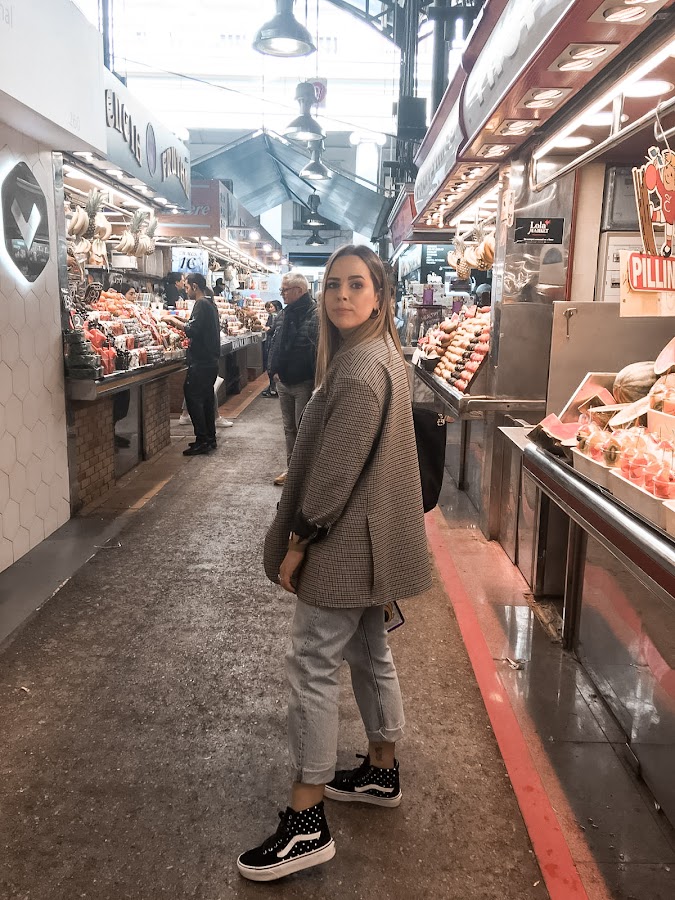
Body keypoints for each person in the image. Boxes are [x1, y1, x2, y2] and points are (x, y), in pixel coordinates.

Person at [236, 245, 432, 882]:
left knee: (311, 664)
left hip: (347, 542)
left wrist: (299, 540)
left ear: (379, 295)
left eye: (356, 285)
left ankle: (306, 820)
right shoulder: (384, 355)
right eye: (333, 285)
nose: (342, 295)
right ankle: (381, 768)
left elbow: (332, 477)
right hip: (377, 539)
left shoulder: (358, 370)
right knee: (369, 650)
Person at [268, 273, 318, 486]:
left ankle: (305, 473)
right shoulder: (284, 314)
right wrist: (273, 370)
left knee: (304, 429)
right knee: (289, 429)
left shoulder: (315, 315)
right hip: (284, 381)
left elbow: (318, 350)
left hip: (304, 382)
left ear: (299, 290)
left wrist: (316, 380)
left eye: (285, 290)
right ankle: (292, 470)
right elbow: (275, 343)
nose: (282, 294)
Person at [164, 273, 222, 456]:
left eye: (187, 287)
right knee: (206, 400)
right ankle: (209, 439)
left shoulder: (201, 304)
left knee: (194, 399)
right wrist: (180, 320)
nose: (186, 290)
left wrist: (173, 321)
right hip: (210, 361)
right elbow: (197, 325)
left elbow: (193, 330)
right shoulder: (210, 303)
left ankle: (202, 440)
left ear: (195, 286)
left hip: (201, 362)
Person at [261, 300, 283, 398]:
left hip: (272, 343)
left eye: (271, 307)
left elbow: (272, 330)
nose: (269, 309)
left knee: (271, 366)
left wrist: (266, 329)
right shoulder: (279, 315)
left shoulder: (275, 316)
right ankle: (273, 388)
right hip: (273, 343)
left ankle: (273, 389)